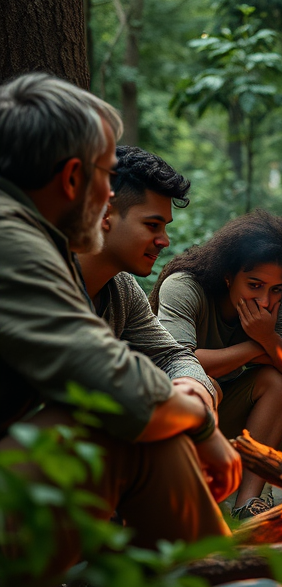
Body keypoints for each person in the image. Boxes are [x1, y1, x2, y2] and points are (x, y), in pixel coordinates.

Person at [0, 73, 238, 587]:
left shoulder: (55, 251)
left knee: (142, 419)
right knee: (114, 429)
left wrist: (190, 391)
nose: (110, 193)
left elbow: (165, 357)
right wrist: (202, 420)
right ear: (75, 177)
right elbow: (120, 388)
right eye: (108, 177)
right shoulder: (13, 243)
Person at [150, 210, 282, 520]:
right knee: (204, 384)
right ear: (228, 275)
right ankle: (192, 503)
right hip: (171, 409)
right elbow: (176, 360)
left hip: (231, 413)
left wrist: (267, 338)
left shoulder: (274, 303)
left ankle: (248, 503)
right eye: (254, 285)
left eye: (276, 289)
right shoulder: (184, 286)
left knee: (275, 382)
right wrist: (256, 345)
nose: (265, 301)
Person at [77, 146, 217, 411]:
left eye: (165, 227)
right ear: (105, 213)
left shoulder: (122, 287)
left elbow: (170, 354)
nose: (164, 241)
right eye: (152, 225)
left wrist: (193, 387)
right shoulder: (44, 276)